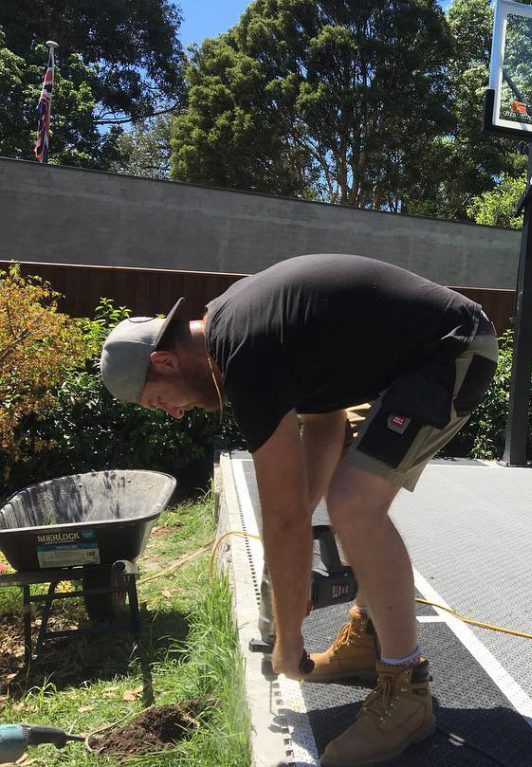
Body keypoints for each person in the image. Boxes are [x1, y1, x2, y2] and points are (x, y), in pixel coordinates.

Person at [100, 253, 498, 767]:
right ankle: (370, 634)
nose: (174, 414)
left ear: (166, 362)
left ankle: (407, 694)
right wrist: (287, 553)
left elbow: (285, 516)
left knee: (355, 504)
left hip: (454, 350)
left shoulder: (243, 354)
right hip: (423, 356)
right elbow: (326, 421)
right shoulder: (241, 325)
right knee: (342, 496)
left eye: (160, 401)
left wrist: (288, 640)